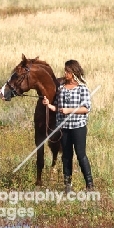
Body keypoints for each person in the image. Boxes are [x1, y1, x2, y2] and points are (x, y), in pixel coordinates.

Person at [43, 60, 93, 192]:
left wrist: (69, 110)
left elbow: (86, 108)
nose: (65, 73)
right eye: (65, 71)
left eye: (67, 71)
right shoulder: (61, 89)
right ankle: (67, 186)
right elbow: (58, 108)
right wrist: (49, 105)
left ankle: (89, 184)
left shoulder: (82, 88)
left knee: (81, 155)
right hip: (64, 128)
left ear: (73, 72)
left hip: (78, 127)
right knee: (66, 156)